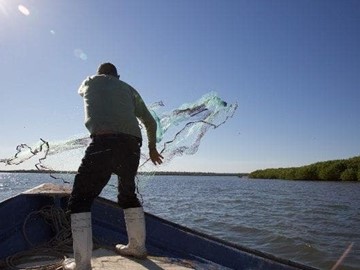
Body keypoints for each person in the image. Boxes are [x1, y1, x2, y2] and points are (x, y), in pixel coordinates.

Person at [63, 63, 163, 270]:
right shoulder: (128, 88)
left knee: (80, 200)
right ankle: (137, 247)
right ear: (117, 76)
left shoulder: (89, 82)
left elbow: (81, 92)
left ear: (101, 74)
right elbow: (150, 122)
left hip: (104, 143)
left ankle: (81, 264)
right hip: (131, 147)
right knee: (127, 195)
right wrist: (152, 149)